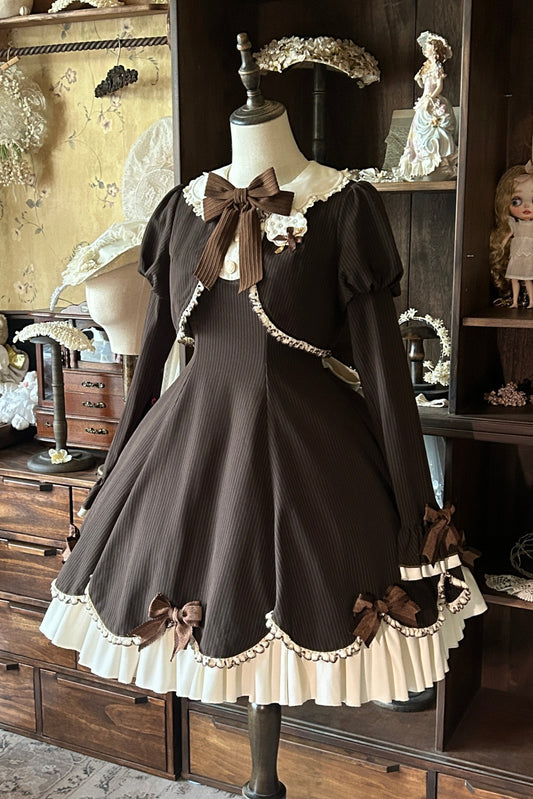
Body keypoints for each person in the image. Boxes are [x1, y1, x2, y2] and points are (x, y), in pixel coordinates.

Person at [41, 68, 485, 713]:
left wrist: (416, 512)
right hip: (189, 439)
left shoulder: (343, 205)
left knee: (310, 592)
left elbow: (385, 373)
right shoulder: (179, 210)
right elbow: (152, 354)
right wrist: (113, 474)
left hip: (312, 445)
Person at [398, 31, 457, 181]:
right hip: (424, 100)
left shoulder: (437, 66)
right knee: (417, 131)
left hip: (432, 101)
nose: (426, 48)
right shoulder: (426, 66)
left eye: (429, 46)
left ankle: (439, 163)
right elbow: (422, 84)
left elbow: (439, 86)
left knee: (434, 131)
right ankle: (421, 164)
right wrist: (419, 79)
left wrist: (430, 97)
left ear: (435, 49)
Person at [490, 162, 533, 308]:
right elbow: (507, 235)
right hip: (517, 254)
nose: (526, 206)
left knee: (527, 279)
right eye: (516, 201)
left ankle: (531, 301)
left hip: (529, 254)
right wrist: (500, 246)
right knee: (515, 278)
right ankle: (515, 302)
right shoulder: (514, 224)